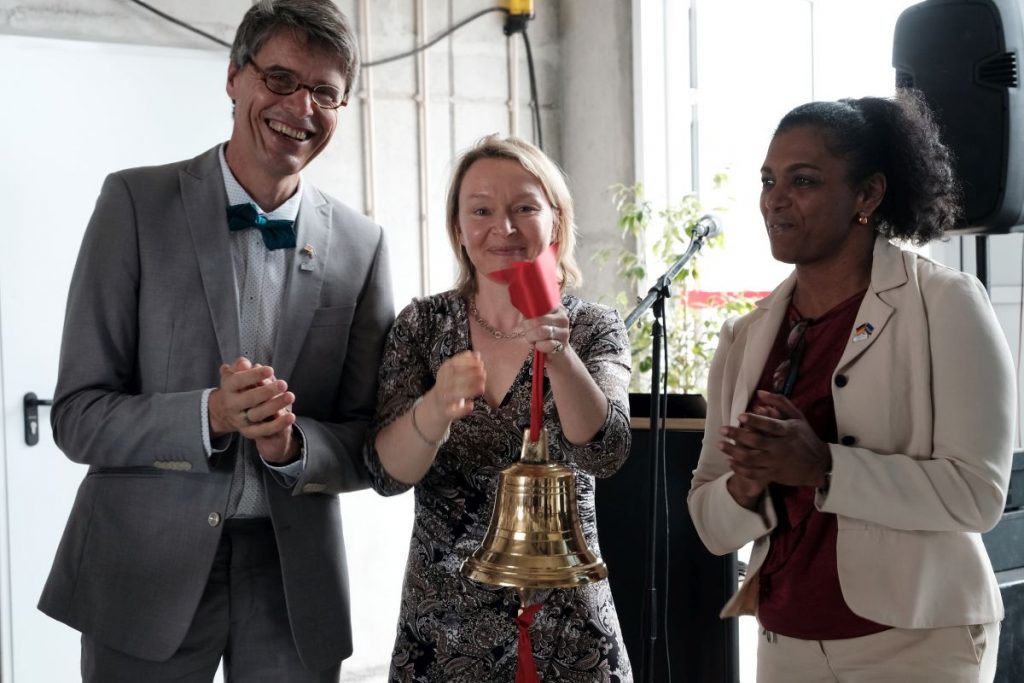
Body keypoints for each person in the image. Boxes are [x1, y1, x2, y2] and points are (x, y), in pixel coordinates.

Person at [38, 1, 394, 680]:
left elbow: (366, 442)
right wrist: (210, 414)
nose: (302, 107)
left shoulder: (364, 245)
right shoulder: (134, 205)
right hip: (143, 570)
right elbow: (76, 416)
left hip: (293, 584)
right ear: (234, 77)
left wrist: (295, 448)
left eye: (325, 91)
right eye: (281, 79)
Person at [688, 89, 1015, 682]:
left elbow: (978, 495)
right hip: (784, 639)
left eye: (804, 181)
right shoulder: (745, 337)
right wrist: (747, 481)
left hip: (917, 643)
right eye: (767, 180)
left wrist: (823, 467)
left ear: (867, 194)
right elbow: (710, 523)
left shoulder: (944, 303)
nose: (775, 201)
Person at [364, 135, 633, 682]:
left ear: (555, 220)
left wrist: (560, 358)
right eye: (481, 210)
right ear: (459, 229)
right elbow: (386, 475)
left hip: (569, 622)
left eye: (524, 209)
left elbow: (606, 453)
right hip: (444, 622)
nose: (502, 228)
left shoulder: (593, 327)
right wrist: (435, 407)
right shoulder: (422, 327)